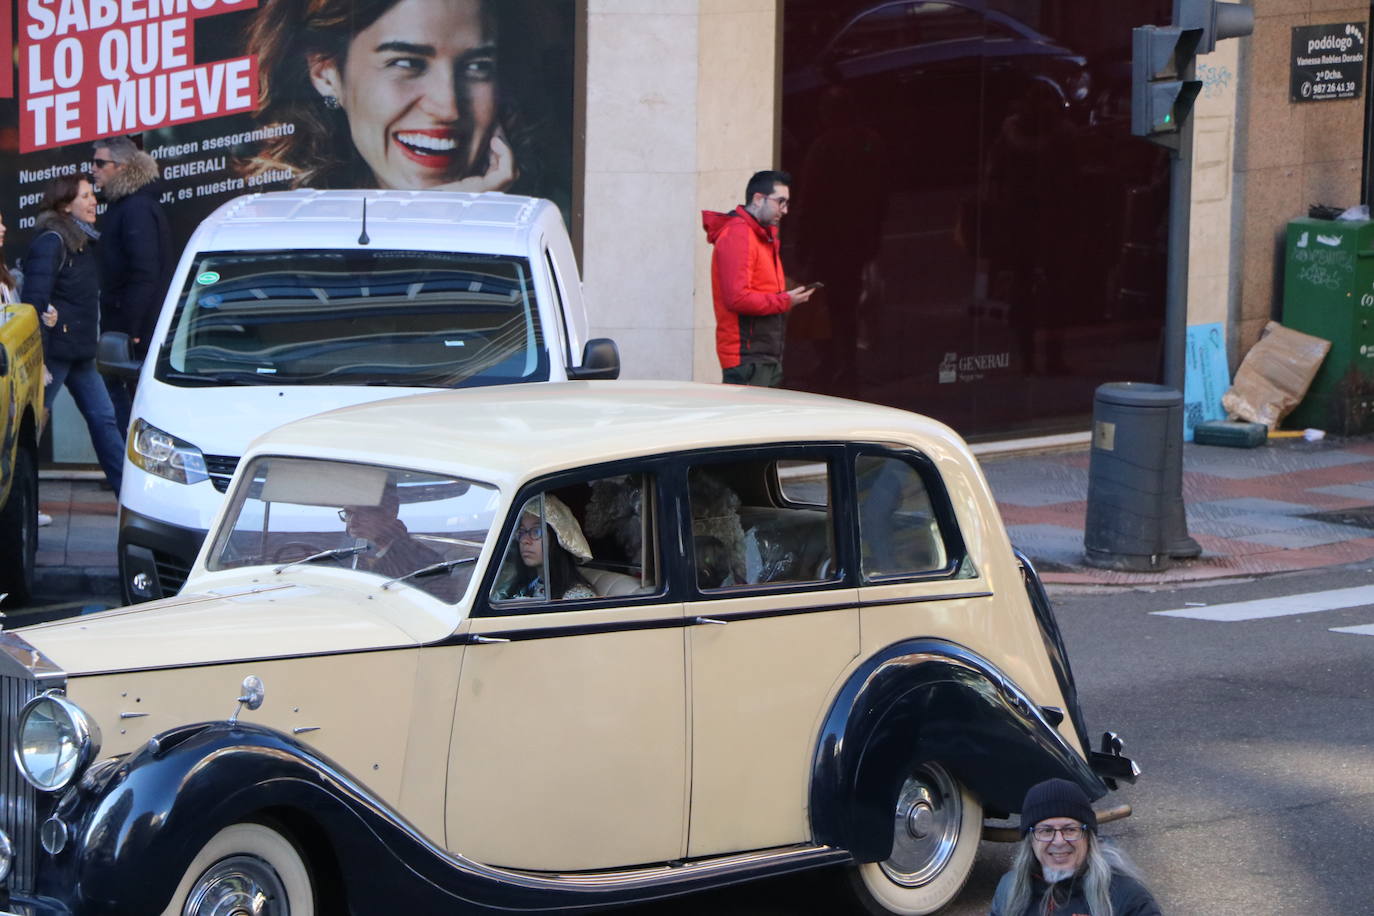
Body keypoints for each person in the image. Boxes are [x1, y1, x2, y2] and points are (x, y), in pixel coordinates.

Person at [244, 0, 545, 195]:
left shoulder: (548, 215)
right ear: (326, 74)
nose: (448, 107)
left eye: (478, 67)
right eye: (406, 63)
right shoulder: (276, 230)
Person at [23, 176, 124, 496]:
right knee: (31, 426)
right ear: (66, 205)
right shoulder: (52, 241)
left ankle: (130, 494)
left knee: (104, 419)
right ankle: (20, 500)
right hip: (53, 353)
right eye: (85, 196)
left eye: (93, 195)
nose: (94, 201)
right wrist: (39, 358)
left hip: (79, 351)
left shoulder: (80, 239)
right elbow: (35, 300)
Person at [91, 136, 173, 435]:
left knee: (126, 405)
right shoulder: (125, 205)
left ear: (122, 167)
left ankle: (129, 468)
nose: (94, 170)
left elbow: (144, 273)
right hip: (127, 327)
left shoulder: (135, 207)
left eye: (101, 163)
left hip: (132, 331)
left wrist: (132, 330)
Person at [702, 169, 815, 387]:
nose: (785, 210)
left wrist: (787, 295)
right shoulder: (739, 234)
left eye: (787, 203)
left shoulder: (759, 235)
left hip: (761, 354)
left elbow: (758, 289)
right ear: (758, 199)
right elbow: (737, 298)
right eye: (780, 202)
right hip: (748, 357)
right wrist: (785, 301)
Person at [991, 778, 1162, 916]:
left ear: (1089, 837)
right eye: (1046, 830)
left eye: (1070, 829)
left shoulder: (1127, 897)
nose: (1059, 841)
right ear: (1030, 840)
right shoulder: (1009, 889)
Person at [495, 494, 595, 601]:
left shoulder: (576, 597)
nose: (524, 540)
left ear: (558, 539)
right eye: (522, 531)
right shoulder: (523, 584)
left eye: (536, 531)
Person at [340, 486, 442, 580]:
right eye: (348, 513)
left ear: (390, 512)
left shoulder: (426, 562)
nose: (352, 523)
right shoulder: (339, 553)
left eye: (363, 514)